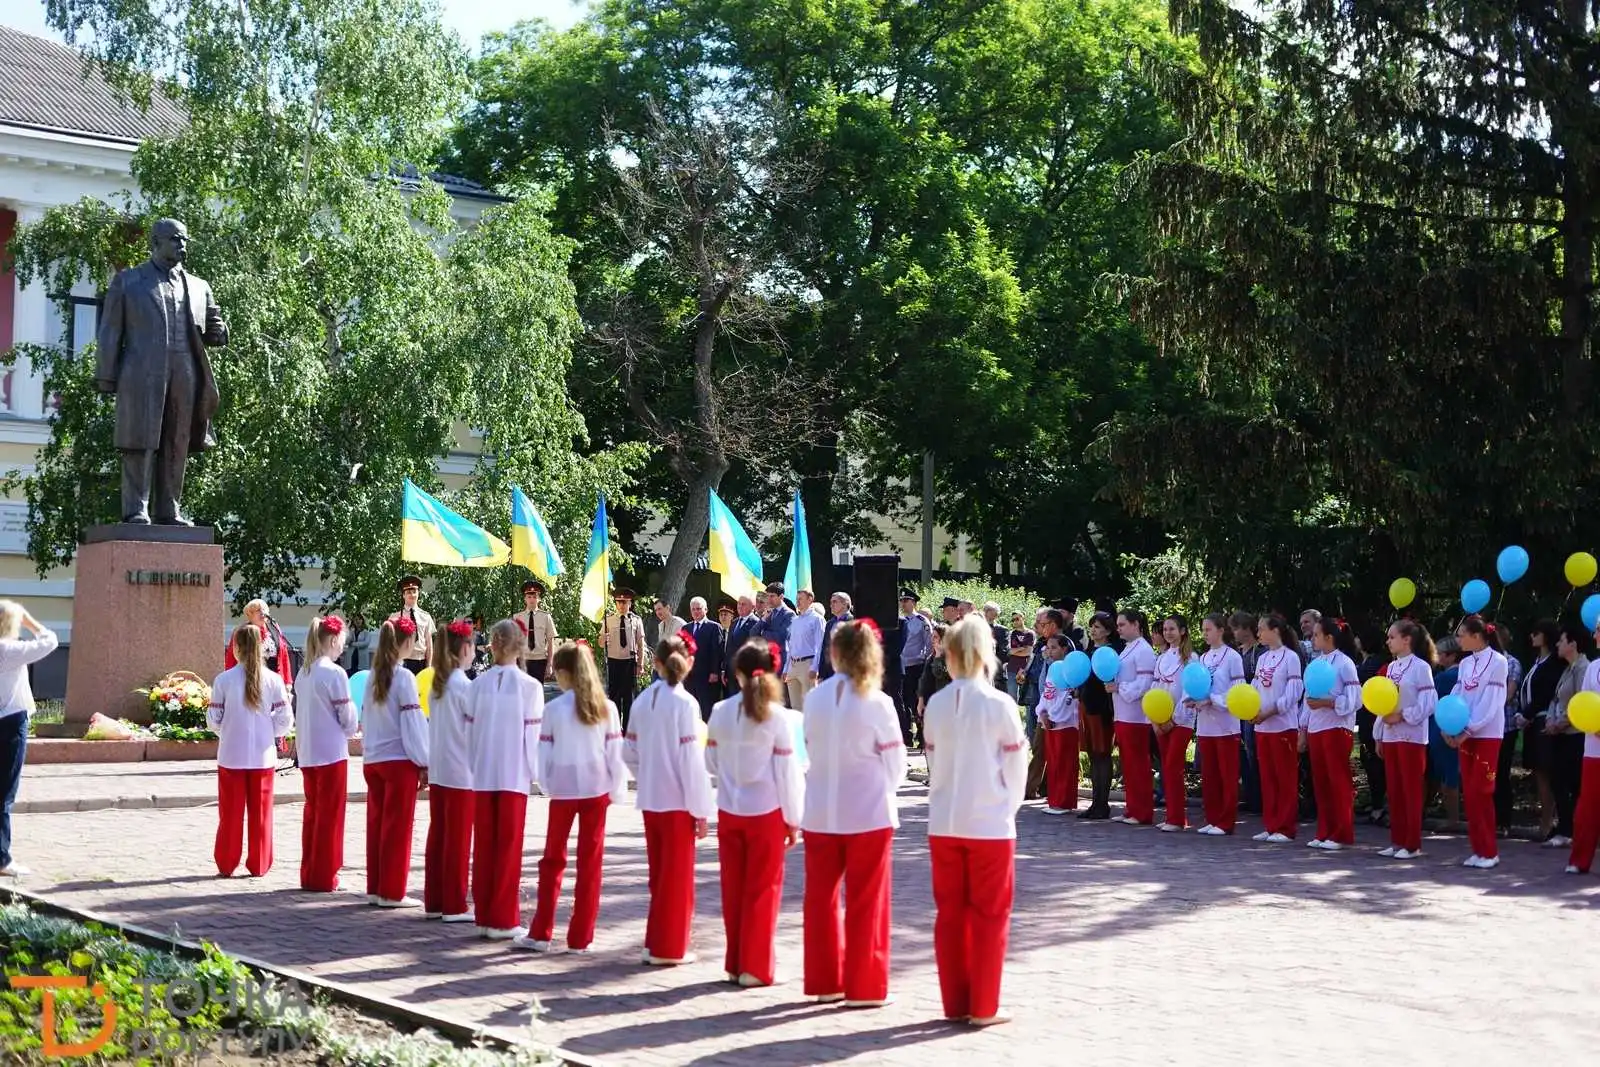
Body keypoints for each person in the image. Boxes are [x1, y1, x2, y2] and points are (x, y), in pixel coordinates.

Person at [923, 614, 1027, 1027]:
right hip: (989, 824)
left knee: (950, 914)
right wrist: (1006, 809)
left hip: (944, 821)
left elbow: (933, 761)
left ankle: (956, 1002)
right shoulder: (999, 704)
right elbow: (1016, 768)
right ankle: (983, 1005)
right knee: (989, 915)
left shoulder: (936, 704)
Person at [93, 218, 227, 526]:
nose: (182, 245)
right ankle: (136, 509)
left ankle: (169, 509)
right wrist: (106, 376)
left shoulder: (199, 286)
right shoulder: (128, 281)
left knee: (177, 440)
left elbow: (212, 329)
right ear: (156, 242)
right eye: (176, 239)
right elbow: (110, 331)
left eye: (185, 240)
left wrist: (220, 331)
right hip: (142, 372)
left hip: (185, 372)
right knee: (140, 441)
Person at [801, 619, 906, 1007]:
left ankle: (825, 981)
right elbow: (895, 762)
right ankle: (865, 985)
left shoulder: (815, 698)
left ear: (835, 653)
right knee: (867, 899)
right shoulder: (878, 702)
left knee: (820, 899)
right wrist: (883, 791)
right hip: (868, 811)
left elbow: (810, 746)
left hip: (821, 810)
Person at [519, 642, 630, 953]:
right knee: (590, 864)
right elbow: (615, 753)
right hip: (597, 791)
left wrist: (547, 784)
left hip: (564, 791)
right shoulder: (606, 708)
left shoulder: (554, 709)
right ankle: (581, 937)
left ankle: (541, 932)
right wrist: (616, 788)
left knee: (552, 860)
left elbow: (544, 753)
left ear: (565, 672)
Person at [706, 639, 805, 988]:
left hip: (730, 809)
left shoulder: (720, 712)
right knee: (763, 890)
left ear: (737, 673)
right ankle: (756, 966)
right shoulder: (777, 717)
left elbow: (710, 762)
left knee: (732, 888)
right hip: (766, 812)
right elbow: (787, 773)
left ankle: (735, 962)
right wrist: (794, 818)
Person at [626, 636, 716, 965]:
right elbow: (692, 762)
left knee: (659, 874)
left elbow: (629, 751)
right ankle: (669, 946)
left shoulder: (642, 701)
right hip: (677, 800)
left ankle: (656, 940)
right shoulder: (685, 704)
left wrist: (647, 775)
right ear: (687, 663)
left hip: (651, 798)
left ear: (657, 663)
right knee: (676, 877)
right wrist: (701, 809)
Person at [467, 620, 544, 940]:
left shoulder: (478, 685)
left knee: (484, 846)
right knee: (508, 847)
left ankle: (485, 915)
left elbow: (470, 733)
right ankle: (502, 918)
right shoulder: (530, 687)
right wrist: (538, 775)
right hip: (513, 775)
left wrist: (474, 764)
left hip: (484, 774)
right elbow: (533, 736)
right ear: (520, 646)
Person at [208, 625, 292, 878]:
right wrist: (267, 730)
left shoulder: (223, 680)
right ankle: (259, 863)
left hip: (231, 756)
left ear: (236, 648)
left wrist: (229, 731)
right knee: (262, 814)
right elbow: (285, 719)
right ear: (262, 648)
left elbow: (213, 720)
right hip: (262, 756)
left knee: (230, 814)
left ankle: (226, 862)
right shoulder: (273, 680)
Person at [362, 618, 430, 906]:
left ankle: (377, 887)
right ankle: (392, 891)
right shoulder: (403, 677)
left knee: (376, 826)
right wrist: (424, 760)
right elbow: (412, 723)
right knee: (397, 829)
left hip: (373, 759)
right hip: (398, 761)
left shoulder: (372, 676)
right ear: (406, 643)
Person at [294, 614, 358, 892]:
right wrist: (352, 726)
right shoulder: (334, 673)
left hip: (309, 752)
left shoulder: (304, 672)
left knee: (313, 813)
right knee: (330, 816)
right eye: (341, 641)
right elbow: (348, 718)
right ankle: (325, 874)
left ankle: (310, 872)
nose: (343, 646)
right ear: (333, 641)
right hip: (331, 753)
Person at [424, 620, 477, 923]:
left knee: (439, 836)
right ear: (464, 649)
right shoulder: (463, 686)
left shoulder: (438, 685)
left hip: (440, 769)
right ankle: (454, 904)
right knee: (457, 839)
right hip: (460, 772)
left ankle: (435, 899)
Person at [1445, 615, 1509, 869]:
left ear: (1477, 636)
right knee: (1470, 793)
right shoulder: (1465, 664)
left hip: (1486, 734)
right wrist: (1448, 725)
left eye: (1461, 635)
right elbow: (1458, 694)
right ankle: (1477, 849)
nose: (1458, 639)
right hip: (1465, 733)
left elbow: (1491, 703)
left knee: (1482, 791)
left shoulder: (1498, 662)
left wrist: (1469, 728)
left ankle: (1490, 851)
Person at [0, 605, 58, 878]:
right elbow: (50, 641)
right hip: (10, 723)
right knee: (4, 794)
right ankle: (1, 859)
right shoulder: (10, 650)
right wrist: (31, 622)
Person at [1377, 619, 1436, 859]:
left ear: (1407, 639)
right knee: (1394, 790)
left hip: (1411, 737)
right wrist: (1380, 734)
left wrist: (1403, 716)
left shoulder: (1421, 667)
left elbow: (1429, 702)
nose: (1388, 641)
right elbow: (1383, 702)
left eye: (1392, 637)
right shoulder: (1391, 667)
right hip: (1391, 736)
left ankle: (1412, 844)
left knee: (1411, 790)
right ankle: (1397, 840)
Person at [1303, 618, 1362, 850]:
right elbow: (1307, 699)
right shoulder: (1315, 664)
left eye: (1316, 635)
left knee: (1338, 780)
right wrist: (1303, 728)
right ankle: (1324, 831)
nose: (1312, 638)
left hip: (1337, 727)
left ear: (1329, 637)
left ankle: (1341, 833)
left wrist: (1329, 702)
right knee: (1321, 782)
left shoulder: (1345, 663)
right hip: (1316, 727)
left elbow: (1355, 699)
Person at [1251, 615, 1304, 843]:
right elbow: (1255, 687)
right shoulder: (1262, 658)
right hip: (1262, 727)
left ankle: (1285, 827)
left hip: (1283, 726)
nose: (1258, 634)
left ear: (1275, 630)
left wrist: (1271, 711)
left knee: (1284, 777)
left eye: (1261, 629)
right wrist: (1251, 709)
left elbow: (1294, 692)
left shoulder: (1291, 657)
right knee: (1268, 777)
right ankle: (1271, 824)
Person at [1191, 613, 1244, 835]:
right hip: (1206, 725)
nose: (1204, 634)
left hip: (1226, 725)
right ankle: (1212, 818)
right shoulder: (1203, 658)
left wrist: (1214, 700)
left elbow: (1238, 691)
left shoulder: (1232, 657)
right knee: (1210, 774)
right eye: (1203, 630)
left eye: (1208, 629)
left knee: (1226, 775)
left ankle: (1226, 821)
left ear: (1221, 630)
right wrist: (1193, 698)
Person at [1545, 623, 1591, 853]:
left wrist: (1561, 723)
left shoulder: (1584, 668)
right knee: (1558, 781)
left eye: (1562, 640)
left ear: (1573, 644)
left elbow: (1582, 702)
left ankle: (1569, 831)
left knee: (1571, 783)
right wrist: (1550, 720)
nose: (1557, 644)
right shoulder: (1567, 669)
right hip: (1560, 734)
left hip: (1575, 735)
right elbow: (1557, 699)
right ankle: (1566, 828)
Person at [1108, 610, 1156, 826]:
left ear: (1136, 624)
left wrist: (1120, 688)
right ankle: (1132, 808)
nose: (1118, 629)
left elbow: (1144, 684)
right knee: (1128, 764)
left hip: (1136, 715)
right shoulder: (1128, 648)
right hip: (1123, 713)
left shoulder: (1144, 650)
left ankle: (1143, 811)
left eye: (1122, 624)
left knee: (1138, 764)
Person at [1516, 620, 1563, 841]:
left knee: (1546, 772)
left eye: (1536, 633)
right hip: (1532, 723)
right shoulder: (1537, 661)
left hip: (1544, 721)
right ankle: (1546, 821)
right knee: (1538, 772)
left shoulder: (1553, 663)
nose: (1532, 636)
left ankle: (1548, 822)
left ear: (1546, 635)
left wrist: (1526, 714)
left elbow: (1545, 693)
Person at [1154, 615, 1197, 832]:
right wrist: (1155, 718)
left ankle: (1177, 818)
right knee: (1166, 768)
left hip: (1181, 721)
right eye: (1165, 629)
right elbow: (1156, 688)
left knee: (1173, 766)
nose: (1168, 633)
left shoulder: (1191, 658)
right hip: (1162, 719)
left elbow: (1190, 691)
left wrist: (1174, 719)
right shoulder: (1162, 658)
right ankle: (1172, 815)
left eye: (1172, 629)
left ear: (1182, 631)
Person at [1566, 621, 1600, 875]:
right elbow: (1583, 702)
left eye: (1599, 630)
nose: (1595, 635)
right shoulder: (1593, 667)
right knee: (1588, 805)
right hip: (1594, 748)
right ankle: (1580, 859)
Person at [1076, 612, 1117, 820]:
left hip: (1102, 709)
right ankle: (1095, 802)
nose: (1093, 630)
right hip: (1087, 706)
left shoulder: (1111, 652)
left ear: (1108, 631)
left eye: (1098, 627)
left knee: (1102, 754)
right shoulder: (1089, 651)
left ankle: (1102, 803)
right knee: (1093, 755)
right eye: (1092, 626)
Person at [1036, 634, 1079, 814]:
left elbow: (1067, 698)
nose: (1050, 651)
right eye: (1048, 647)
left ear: (1064, 648)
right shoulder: (1052, 668)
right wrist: (1042, 713)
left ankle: (1064, 802)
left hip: (1065, 723)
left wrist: (1053, 716)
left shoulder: (1071, 669)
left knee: (1065, 762)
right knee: (1053, 761)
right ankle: (1054, 800)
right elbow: (1047, 693)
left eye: (1054, 647)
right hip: (1050, 721)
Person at [1428, 638, 1465, 832]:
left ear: (1451, 656)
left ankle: (1453, 818)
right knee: (1449, 773)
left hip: (1441, 728)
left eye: (1440, 653)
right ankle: (1453, 816)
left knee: (1447, 775)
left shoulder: (1445, 677)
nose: (1437, 656)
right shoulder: (1462, 674)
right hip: (1453, 727)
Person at [1230, 611, 1263, 813]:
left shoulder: (1259, 652)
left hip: (1253, 708)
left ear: (1246, 629)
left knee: (1253, 752)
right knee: (1243, 753)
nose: (1233, 633)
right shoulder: (1238, 653)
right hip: (1238, 709)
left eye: (1236, 629)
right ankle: (1250, 795)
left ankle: (1259, 798)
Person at [601, 588, 647, 730]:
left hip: (629, 662)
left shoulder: (636, 620)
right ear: (615, 603)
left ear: (630, 603)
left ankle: (628, 729)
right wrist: (603, 638)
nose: (621, 605)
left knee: (628, 697)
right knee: (614, 696)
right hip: (614, 662)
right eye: (619, 602)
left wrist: (640, 665)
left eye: (624, 602)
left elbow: (640, 644)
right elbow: (600, 643)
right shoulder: (608, 620)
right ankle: (614, 728)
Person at [226, 599, 296, 690]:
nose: (262, 612)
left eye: (264, 609)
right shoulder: (241, 632)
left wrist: (287, 682)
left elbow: (284, 655)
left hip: (274, 681)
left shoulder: (274, 628)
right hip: (250, 682)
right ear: (250, 615)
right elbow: (232, 658)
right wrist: (230, 682)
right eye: (258, 610)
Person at [681, 597, 725, 719]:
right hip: (690, 676)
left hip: (707, 677)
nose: (696, 612)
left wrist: (714, 672)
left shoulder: (714, 627)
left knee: (707, 710)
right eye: (693, 609)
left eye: (699, 609)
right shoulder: (686, 628)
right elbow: (683, 651)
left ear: (706, 609)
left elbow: (717, 651)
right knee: (689, 711)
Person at [898, 591, 932, 749]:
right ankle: (907, 736)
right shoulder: (899, 620)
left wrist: (925, 661)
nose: (903, 603)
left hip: (916, 666)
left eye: (906, 600)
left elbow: (929, 644)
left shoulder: (921, 621)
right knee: (903, 702)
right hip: (902, 666)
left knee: (917, 702)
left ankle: (922, 735)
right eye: (902, 600)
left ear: (914, 602)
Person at [786, 589, 825, 709]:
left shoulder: (817, 619)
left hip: (808, 664)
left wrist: (815, 667)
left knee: (810, 705)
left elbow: (820, 645)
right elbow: (790, 646)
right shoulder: (795, 621)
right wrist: (786, 668)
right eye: (797, 599)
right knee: (795, 707)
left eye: (800, 599)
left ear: (810, 600)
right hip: (793, 665)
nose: (797, 602)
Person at [388, 576, 435, 674]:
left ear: (418, 593)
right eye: (409, 592)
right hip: (402, 662)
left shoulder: (426, 616)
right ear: (403, 595)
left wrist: (429, 666)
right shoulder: (395, 617)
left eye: (414, 591)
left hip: (420, 661)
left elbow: (429, 644)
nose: (412, 595)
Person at [516, 580, 557, 682]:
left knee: (537, 690)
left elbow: (551, 642)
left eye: (534, 597)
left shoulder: (546, 617)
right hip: (522, 661)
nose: (532, 599)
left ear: (539, 599)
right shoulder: (517, 617)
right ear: (525, 599)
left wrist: (549, 664)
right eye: (529, 597)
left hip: (540, 661)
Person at [818, 592, 855, 682]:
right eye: (831, 602)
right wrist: (821, 674)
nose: (831, 605)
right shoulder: (830, 624)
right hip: (830, 672)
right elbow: (824, 648)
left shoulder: (853, 621)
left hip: (847, 670)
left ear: (845, 604)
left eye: (834, 602)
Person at [1006, 612, 1036, 703]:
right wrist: (1022, 648)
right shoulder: (1011, 633)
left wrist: (1016, 651)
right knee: (1011, 697)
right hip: (1012, 668)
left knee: (1027, 698)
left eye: (1017, 619)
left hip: (1025, 668)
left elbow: (1028, 652)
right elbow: (1009, 651)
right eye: (1013, 620)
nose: (1014, 621)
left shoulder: (1030, 634)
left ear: (1023, 618)